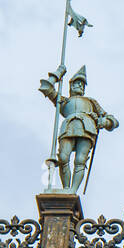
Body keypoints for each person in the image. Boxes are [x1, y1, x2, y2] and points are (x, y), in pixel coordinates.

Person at [39, 65, 117, 194]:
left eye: (82, 85)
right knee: (63, 158)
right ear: (71, 86)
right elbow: (47, 87)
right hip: (68, 128)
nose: (80, 86)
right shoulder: (63, 101)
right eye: (77, 83)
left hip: (87, 129)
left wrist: (105, 121)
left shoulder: (91, 102)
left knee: (80, 160)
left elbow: (112, 120)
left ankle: (73, 190)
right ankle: (66, 189)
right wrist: (58, 73)